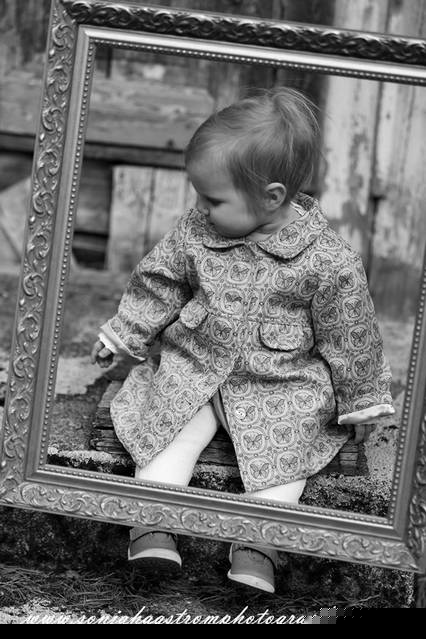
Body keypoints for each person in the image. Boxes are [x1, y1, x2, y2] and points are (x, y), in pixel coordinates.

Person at [92, 88, 394, 594]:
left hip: (280, 380)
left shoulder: (329, 260)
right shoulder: (197, 232)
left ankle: (257, 544)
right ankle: (153, 521)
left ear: (272, 197)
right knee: (167, 423)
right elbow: (160, 282)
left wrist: (361, 399)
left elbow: (351, 333)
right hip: (197, 360)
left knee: (288, 446)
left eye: (213, 200)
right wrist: (126, 331)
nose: (200, 208)